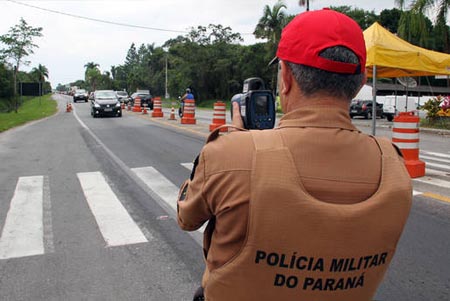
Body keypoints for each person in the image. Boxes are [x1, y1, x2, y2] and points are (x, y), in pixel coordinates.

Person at [177, 9, 412, 301]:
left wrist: (231, 143)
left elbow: (187, 217)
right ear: (360, 83)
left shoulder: (231, 153)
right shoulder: (394, 165)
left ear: (286, 77)